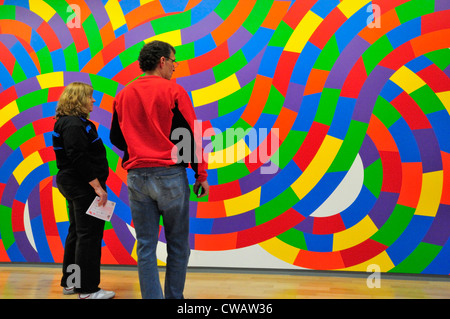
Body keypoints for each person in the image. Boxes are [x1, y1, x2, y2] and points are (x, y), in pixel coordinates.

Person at [110, 40, 209, 299]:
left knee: (145, 246)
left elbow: (116, 138)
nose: (175, 67)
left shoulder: (123, 94)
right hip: (170, 178)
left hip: (136, 178)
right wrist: (201, 174)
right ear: (162, 61)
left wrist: (139, 144)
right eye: (173, 61)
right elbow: (188, 137)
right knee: (178, 245)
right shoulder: (174, 91)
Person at [53, 82, 115, 299]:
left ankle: (71, 283)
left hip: (74, 184)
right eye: (90, 97)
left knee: (77, 233)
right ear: (79, 99)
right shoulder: (73, 125)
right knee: (88, 236)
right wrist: (97, 187)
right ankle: (88, 290)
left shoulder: (70, 123)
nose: (93, 101)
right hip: (82, 186)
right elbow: (77, 156)